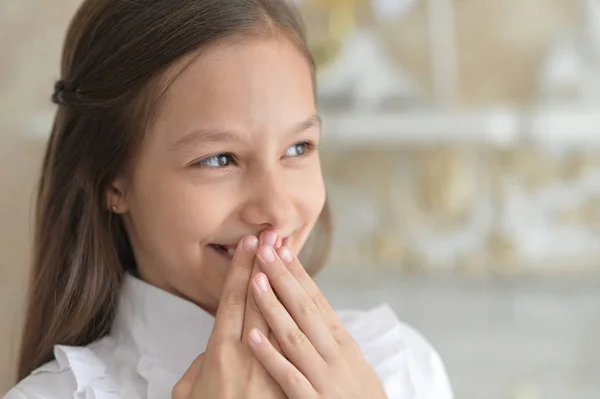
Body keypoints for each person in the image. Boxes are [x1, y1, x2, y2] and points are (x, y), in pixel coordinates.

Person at [4, 0, 453, 398]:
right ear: (114, 180)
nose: (276, 210)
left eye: (298, 148)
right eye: (219, 159)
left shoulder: (403, 368)